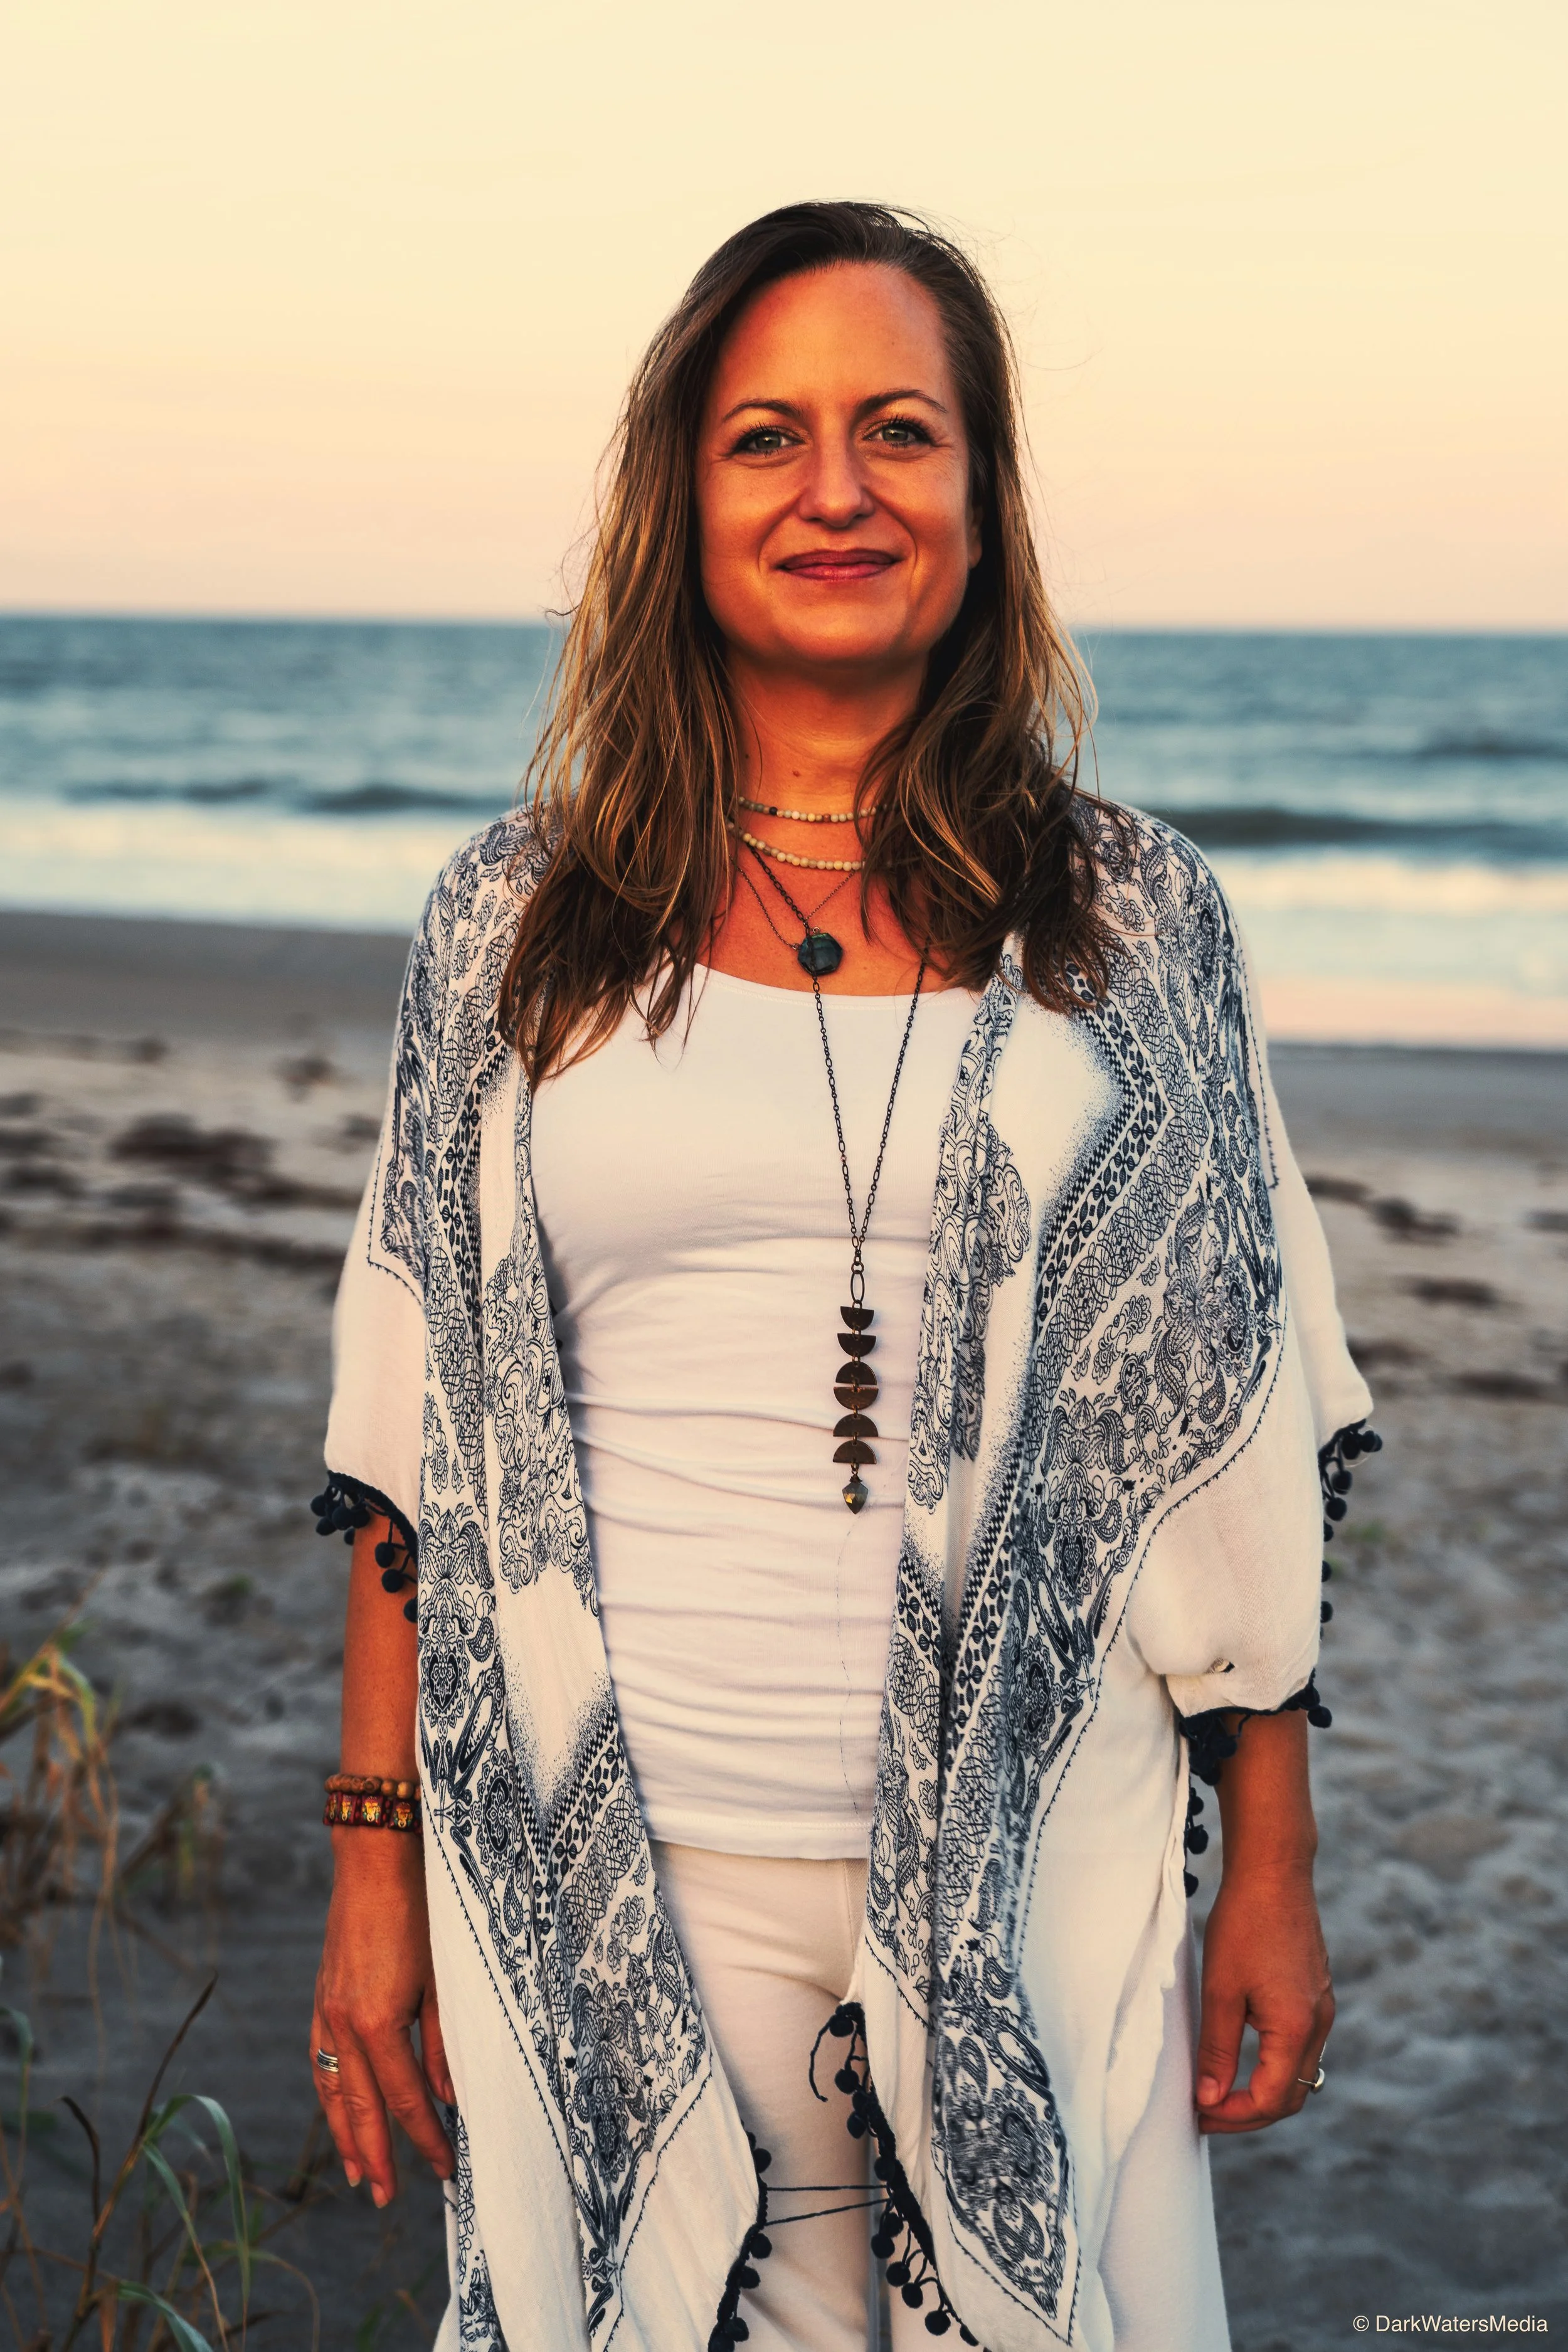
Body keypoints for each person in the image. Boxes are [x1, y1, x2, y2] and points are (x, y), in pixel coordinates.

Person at [305, 202, 1377, 2352]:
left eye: (900, 431)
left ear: (982, 509)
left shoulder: (1137, 923)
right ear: (678, 505)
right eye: (764, 437)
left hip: (1040, 1847)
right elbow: (418, 1433)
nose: (835, 490)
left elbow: (1229, 1437)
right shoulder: (515, 928)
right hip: (616, 1868)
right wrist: (369, 1873)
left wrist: (1269, 1857)